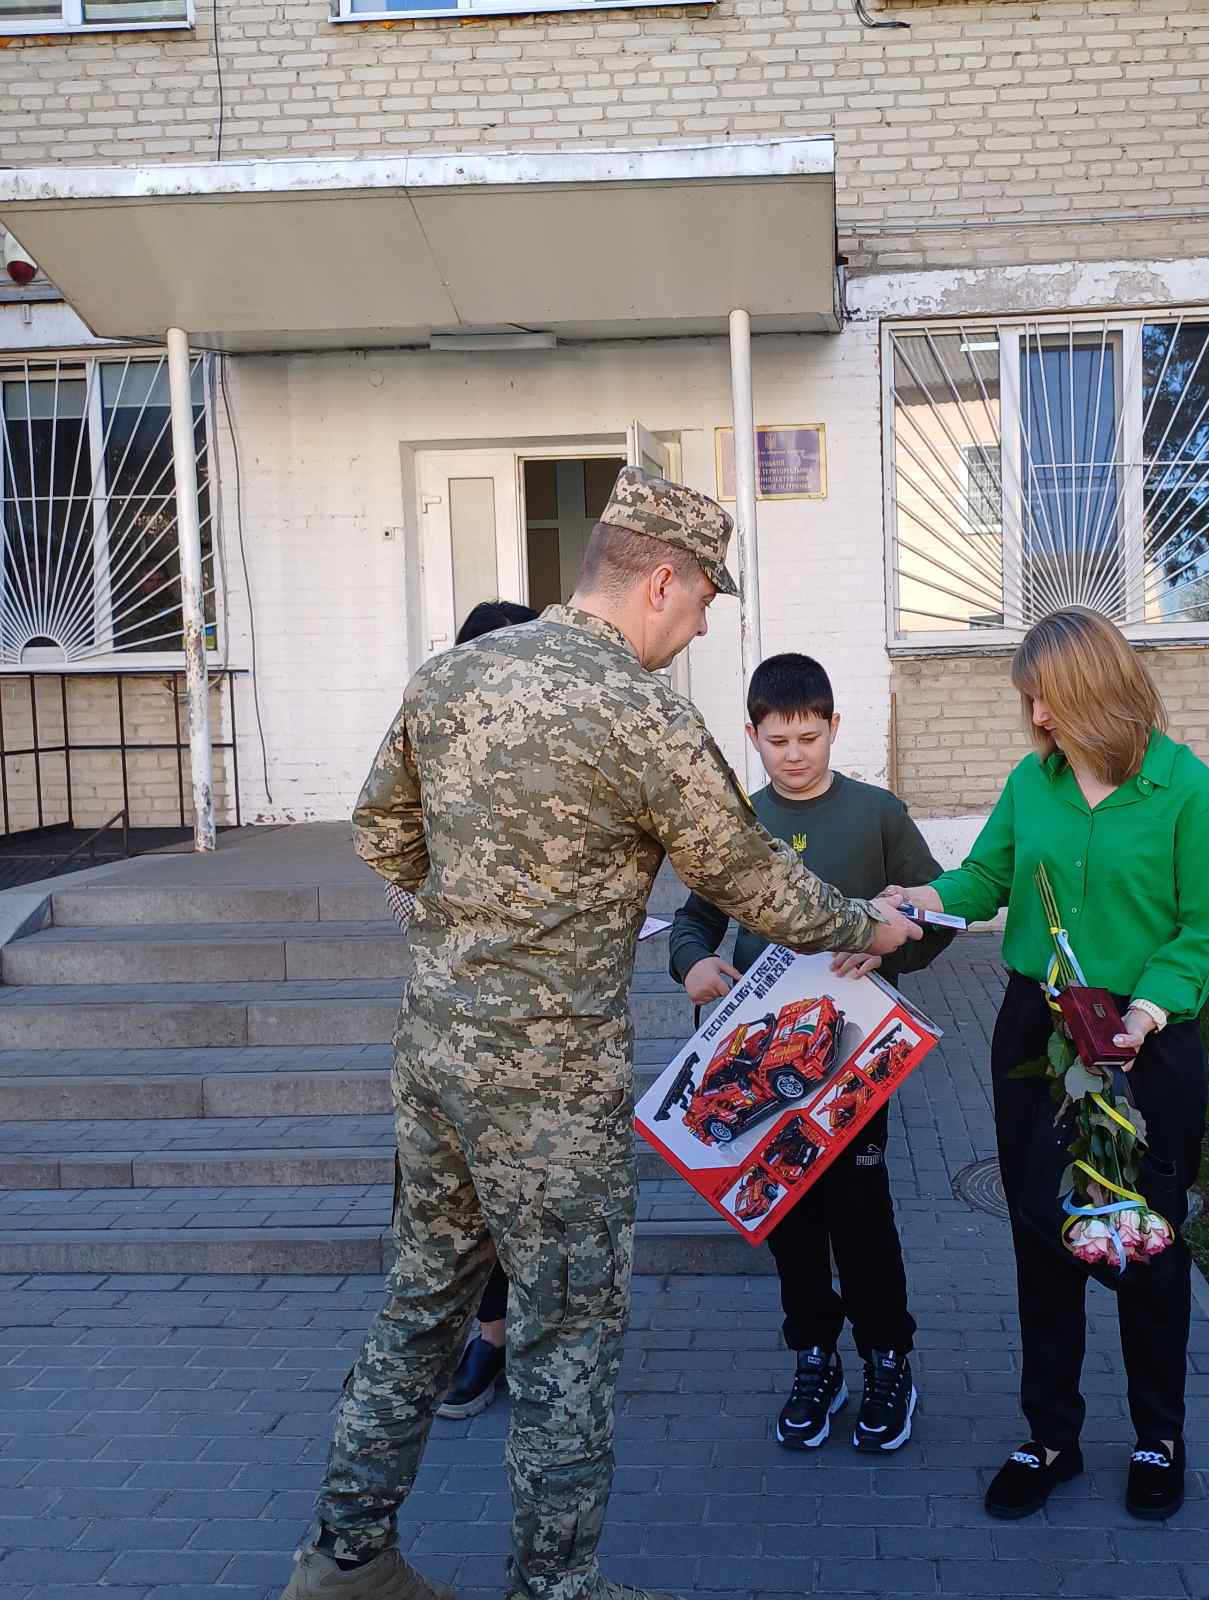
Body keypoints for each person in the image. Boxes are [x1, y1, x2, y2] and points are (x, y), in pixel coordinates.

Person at [282, 467, 922, 1600]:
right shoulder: (643, 714)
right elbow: (751, 879)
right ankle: (555, 1587)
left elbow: (380, 830)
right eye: (706, 599)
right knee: (567, 1332)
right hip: (551, 1084)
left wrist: (463, 922)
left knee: (419, 1303)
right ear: (661, 579)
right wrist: (869, 922)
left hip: (435, 1058)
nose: (705, 623)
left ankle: (345, 1560)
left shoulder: (452, 675)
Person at [891, 607, 1209, 1525]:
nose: (1036, 716)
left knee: (1143, 1238)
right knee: (1044, 1232)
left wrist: (1145, 1014)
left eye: (1046, 697)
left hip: (1142, 1044)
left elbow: (1201, 933)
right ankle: (1050, 1437)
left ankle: (1158, 1437)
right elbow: (984, 880)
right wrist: (920, 899)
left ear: (1094, 693)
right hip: (1036, 1039)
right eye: (1031, 701)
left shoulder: (1189, 794)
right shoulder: (1032, 781)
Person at [668, 653, 953, 1454]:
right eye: (778, 740)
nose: (794, 755)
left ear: (833, 728)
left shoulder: (878, 815)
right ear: (751, 735)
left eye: (809, 737)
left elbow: (939, 918)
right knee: (788, 1217)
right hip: (764, 1057)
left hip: (855, 1059)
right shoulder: (739, 824)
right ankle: (815, 1357)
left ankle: (888, 1358)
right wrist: (693, 964)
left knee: (861, 1215)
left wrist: (889, 946)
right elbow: (694, 921)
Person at [382, 597, 537, 1423]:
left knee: (524, 1191)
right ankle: (481, 1335)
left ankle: (510, 1336)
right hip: (449, 1021)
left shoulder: (550, 756)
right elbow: (393, 855)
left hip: (536, 1030)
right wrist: (433, 907)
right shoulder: (433, 750)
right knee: (451, 1193)